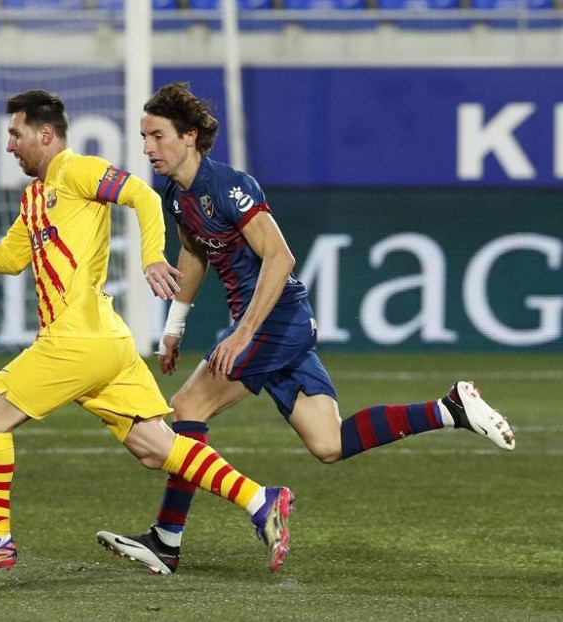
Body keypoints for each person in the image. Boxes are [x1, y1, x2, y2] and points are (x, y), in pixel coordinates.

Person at [95, 81, 516, 575]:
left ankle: (167, 539)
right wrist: (175, 327)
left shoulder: (230, 186)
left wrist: (245, 332)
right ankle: (449, 410)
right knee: (329, 443)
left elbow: (280, 257)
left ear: (189, 137)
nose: (147, 148)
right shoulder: (175, 196)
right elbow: (193, 255)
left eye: (157, 136)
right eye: (143, 137)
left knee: (188, 406)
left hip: (274, 321)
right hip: (275, 326)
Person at [0, 89, 294, 576]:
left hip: (76, 339)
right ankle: (261, 499)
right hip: (105, 343)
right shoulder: (35, 197)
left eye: (15, 135)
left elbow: (143, 195)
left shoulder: (75, 169)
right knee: (157, 448)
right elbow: (6, 258)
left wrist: (152, 254)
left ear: (45, 135)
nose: (9, 147)